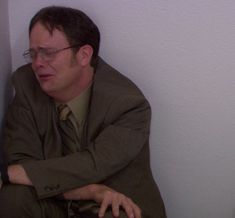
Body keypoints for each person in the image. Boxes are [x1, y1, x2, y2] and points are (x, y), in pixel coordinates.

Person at [0, 6, 166, 218]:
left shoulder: (129, 104)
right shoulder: (26, 85)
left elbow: (92, 164)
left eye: (48, 53)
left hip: (113, 204)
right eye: (33, 54)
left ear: (84, 55)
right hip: (56, 200)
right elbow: (22, 165)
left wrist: (8, 174)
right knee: (13, 197)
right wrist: (91, 191)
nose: (37, 64)